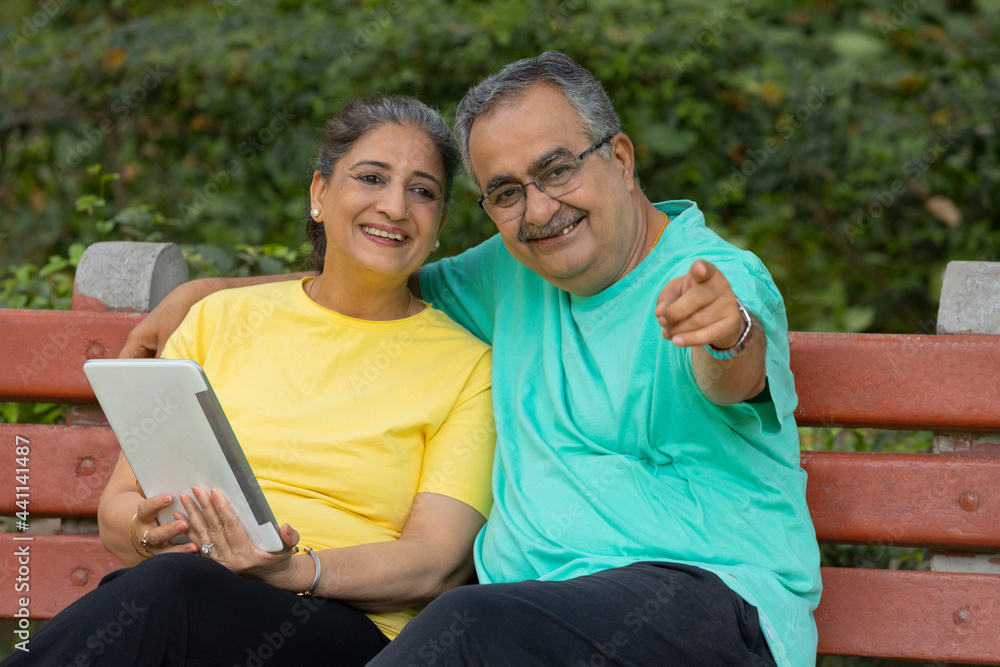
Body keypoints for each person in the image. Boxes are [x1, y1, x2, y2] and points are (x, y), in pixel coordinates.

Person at [120, 52, 822, 666]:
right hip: (534, 621)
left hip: (706, 606)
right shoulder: (514, 270)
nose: (541, 209)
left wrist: (727, 333)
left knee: (463, 624)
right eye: (507, 192)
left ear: (621, 158)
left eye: (557, 169)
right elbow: (373, 269)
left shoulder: (712, 278)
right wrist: (213, 291)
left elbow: (734, 370)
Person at [1, 96, 495, 667]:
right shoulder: (219, 320)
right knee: (173, 586)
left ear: (438, 224)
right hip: (186, 591)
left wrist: (293, 570)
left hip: (348, 628)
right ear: (319, 194)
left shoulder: (467, 367)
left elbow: (435, 561)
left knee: (171, 592)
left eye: (423, 190)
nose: (395, 205)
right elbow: (121, 509)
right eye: (371, 177)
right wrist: (148, 533)